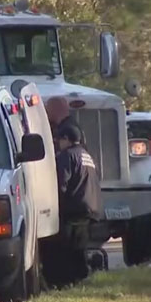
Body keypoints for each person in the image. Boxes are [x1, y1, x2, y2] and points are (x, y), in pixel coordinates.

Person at [40, 123, 103, 289]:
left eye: (59, 140)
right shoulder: (86, 155)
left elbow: (61, 183)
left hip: (73, 209)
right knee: (79, 248)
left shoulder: (66, 156)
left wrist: (52, 203)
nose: (58, 143)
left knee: (64, 249)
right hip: (90, 208)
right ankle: (80, 280)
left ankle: (65, 283)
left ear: (66, 139)